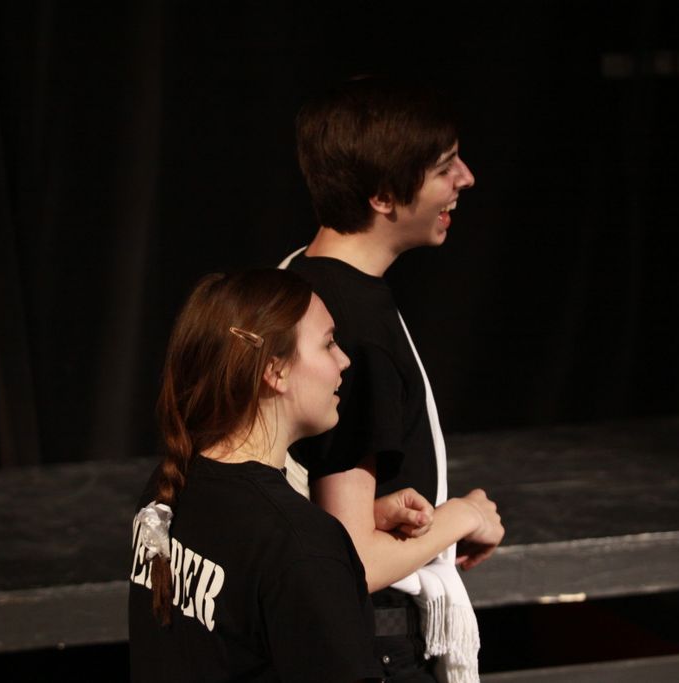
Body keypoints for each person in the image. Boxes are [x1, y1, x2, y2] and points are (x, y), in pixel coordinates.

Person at [282, 77, 505, 682]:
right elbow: (351, 559)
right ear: (383, 196)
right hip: (373, 645)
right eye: (444, 167)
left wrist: (381, 512)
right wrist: (462, 517)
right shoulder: (352, 330)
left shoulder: (297, 278)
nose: (465, 179)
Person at [128, 269, 433, 682]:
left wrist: (364, 521)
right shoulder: (300, 545)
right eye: (328, 343)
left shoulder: (170, 485)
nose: (344, 360)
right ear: (275, 371)